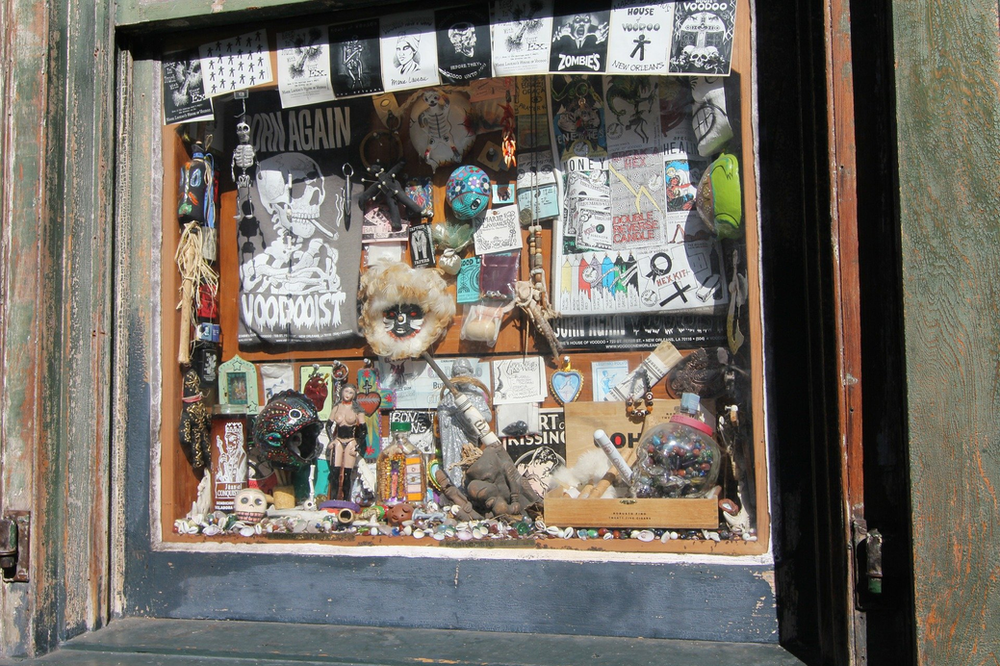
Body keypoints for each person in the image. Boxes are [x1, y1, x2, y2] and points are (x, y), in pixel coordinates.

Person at [326, 383, 367, 500]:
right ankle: (333, 498)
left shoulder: (357, 410)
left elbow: (364, 430)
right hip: (338, 440)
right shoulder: (336, 407)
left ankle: (346, 499)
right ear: (341, 392)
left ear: (354, 395)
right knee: (334, 471)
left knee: (347, 473)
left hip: (351, 441)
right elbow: (328, 426)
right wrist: (331, 440)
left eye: (351, 393)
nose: (348, 395)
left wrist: (358, 445)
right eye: (346, 391)